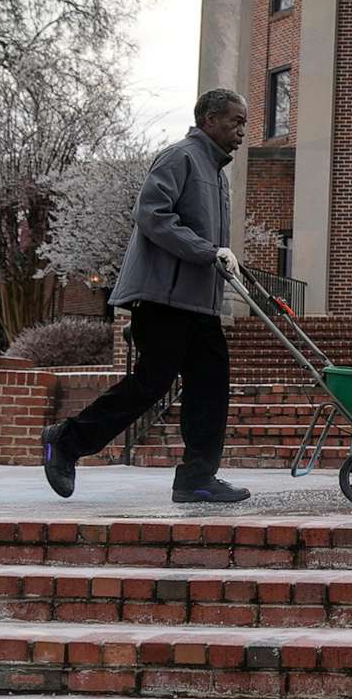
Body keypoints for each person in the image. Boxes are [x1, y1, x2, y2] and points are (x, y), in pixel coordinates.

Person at [41, 88, 253, 504]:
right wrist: (206, 251)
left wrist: (219, 260)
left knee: (211, 385)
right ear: (209, 120)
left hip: (198, 304)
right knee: (152, 383)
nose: (242, 130)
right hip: (162, 299)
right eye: (236, 121)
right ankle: (66, 441)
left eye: (244, 122)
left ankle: (196, 479)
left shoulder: (217, 172)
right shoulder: (181, 158)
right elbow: (152, 215)